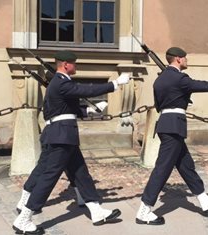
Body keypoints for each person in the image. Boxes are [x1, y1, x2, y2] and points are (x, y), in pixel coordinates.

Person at [12, 50, 130, 234]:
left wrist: (90, 111)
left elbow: (67, 108)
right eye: (74, 63)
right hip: (62, 136)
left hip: (60, 135)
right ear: (66, 65)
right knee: (49, 176)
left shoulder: (57, 84)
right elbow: (85, 90)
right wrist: (115, 84)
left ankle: (96, 210)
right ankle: (24, 218)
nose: (76, 66)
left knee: (80, 173)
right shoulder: (61, 82)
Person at [136, 47, 208, 225]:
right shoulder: (180, 78)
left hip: (165, 124)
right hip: (174, 125)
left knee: (186, 165)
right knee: (162, 169)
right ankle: (144, 210)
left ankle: (204, 200)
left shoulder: (159, 80)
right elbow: (207, 86)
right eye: (185, 58)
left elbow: (158, 105)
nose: (187, 60)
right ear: (178, 59)